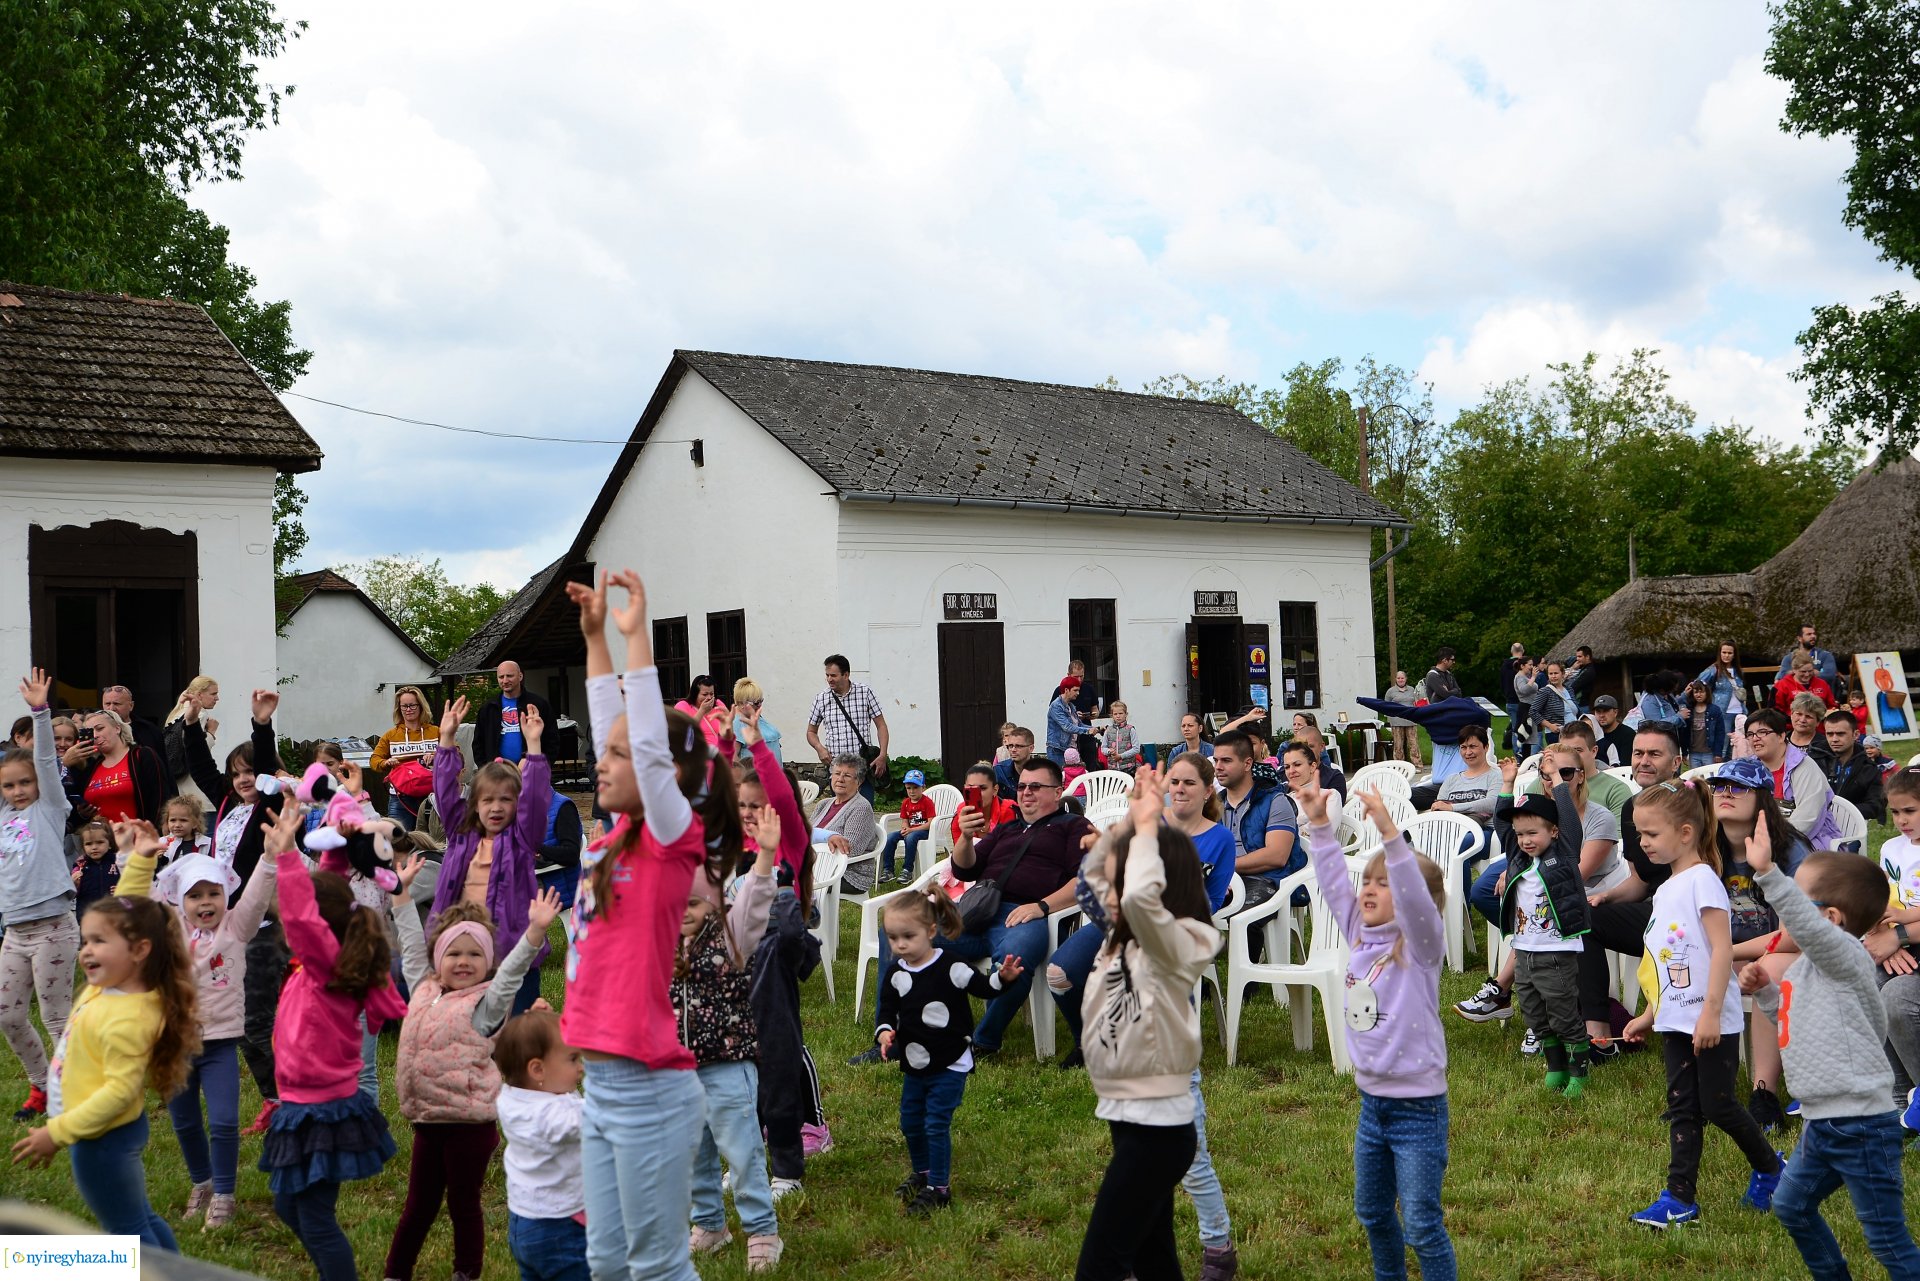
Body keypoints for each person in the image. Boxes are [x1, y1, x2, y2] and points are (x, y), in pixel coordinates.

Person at [561, 568, 741, 1281]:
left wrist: (637, 639)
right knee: (606, 1263)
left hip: (648, 1089)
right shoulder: (614, 836)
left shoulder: (673, 836)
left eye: (616, 757)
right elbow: (618, 718)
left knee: (657, 1266)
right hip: (600, 1084)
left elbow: (646, 743)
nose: (602, 765)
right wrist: (595, 638)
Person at [1739, 830, 1920, 1276]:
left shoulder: (1848, 959)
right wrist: (1764, 994)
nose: (1789, 911)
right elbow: (1792, 1018)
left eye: (1799, 900)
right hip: (1823, 1122)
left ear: (1832, 920)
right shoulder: (1807, 968)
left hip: (1861, 1123)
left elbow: (1805, 927)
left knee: (1886, 1239)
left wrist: (1767, 872)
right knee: (1791, 1206)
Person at [1299, 776, 1455, 1281]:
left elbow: (1412, 896)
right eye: (1368, 879)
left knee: (1423, 1227)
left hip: (1418, 1110)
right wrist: (1321, 826)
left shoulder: (1420, 948)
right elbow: (1332, 880)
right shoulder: (1359, 934)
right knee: (1371, 1213)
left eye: (1384, 884)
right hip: (1373, 1108)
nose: (1369, 888)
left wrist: (1390, 834)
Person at [1073, 769, 1221, 1281]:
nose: (1111, 892)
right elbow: (1092, 875)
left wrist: (1147, 828)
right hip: (1129, 1118)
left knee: (1100, 1266)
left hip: (1158, 1134)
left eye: (1126, 876)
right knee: (1152, 1258)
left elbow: (1138, 898)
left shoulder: (1180, 941)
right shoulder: (1124, 936)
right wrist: (1130, 822)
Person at [255, 800, 407, 1281]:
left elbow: (307, 915)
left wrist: (285, 859)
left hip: (320, 1112)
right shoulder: (329, 958)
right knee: (287, 1206)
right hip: (303, 1105)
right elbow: (329, 900)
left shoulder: (328, 969)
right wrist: (337, 850)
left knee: (315, 1219)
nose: (287, 917)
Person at [1621, 779, 1784, 1227]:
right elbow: (1670, 959)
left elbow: (1721, 951)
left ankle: (1773, 1170)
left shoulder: (1703, 883)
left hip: (1711, 1020)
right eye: (1639, 834)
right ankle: (1679, 1198)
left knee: (1718, 1105)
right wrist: (1650, 1014)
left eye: (1651, 834)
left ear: (1687, 832)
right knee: (1682, 1107)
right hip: (1676, 1020)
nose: (1643, 842)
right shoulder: (1666, 889)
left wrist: (1711, 1013)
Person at [8, 863, 197, 1249]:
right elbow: (125, 913)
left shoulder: (128, 1015)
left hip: (101, 1138)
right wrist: (141, 862)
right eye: (86, 940)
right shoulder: (112, 986)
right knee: (139, 1218)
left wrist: (56, 1133)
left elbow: (119, 1093)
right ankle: (178, 1274)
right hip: (111, 1132)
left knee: (126, 1233)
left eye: (97, 942)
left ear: (140, 950)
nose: (86, 951)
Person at [384, 865, 558, 1281]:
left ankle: (466, 1273)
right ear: (438, 960)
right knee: (418, 1207)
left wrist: (534, 934)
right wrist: (402, 898)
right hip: (428, 1121)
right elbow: (411, 948)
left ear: (488, 962)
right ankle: (395, 1273)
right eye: (454, 954)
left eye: (475, 954)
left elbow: (512, 973)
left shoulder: (486, 1005)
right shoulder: (423, 988)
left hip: (469, 1126)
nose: (464, 962)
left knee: (464, 1204)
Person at [117, 815, 277, 1230]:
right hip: (174, 1044)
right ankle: (201, 1183)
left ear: (225, 895)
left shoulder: (236, 928)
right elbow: (134, 903)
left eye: (214, 893)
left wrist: (273, 854)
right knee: (184, 1121)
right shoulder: (168, 930)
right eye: (195, 896)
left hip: (221, 1045)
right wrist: (130, 856)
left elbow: (258, 895)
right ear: (179, 901)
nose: (206, 903)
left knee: (224, 1121)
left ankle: (224, 1193)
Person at [895, 755, 1094, 1060]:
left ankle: (983, 1042)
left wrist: (1041, 906)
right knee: (901, 933)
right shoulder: (1007, 829)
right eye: (1023, 786)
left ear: (1057, 791)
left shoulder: (1073, 826)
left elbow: (1084, 879)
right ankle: (896, 1032)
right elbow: (964, 871)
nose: (1026, 792)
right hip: (977, 913)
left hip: (1023, 915)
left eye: (1036, 786)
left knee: (1016, 961)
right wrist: (964, 837)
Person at [673, 812, 783, 1269]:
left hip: (726, 1064)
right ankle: (710, 1224)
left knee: (741, 1152)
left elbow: (755, 903)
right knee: (693, 1152)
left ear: (713, 904)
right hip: (676, 1070)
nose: (682, 913)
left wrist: (766, 857)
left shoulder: (732, 937)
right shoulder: (658, 942)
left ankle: (762, 1231)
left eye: (693, 904)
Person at [873, 886, 1024, 1216]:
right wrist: (884, 1031)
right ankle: (922, 1172)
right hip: (915, 1061)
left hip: (950, 1061)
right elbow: (887, 1008)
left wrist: (1004, 978)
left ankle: (939, 1187)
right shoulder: (898, 973)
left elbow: (983, 987)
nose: (899, 945)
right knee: (910, 1122)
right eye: (892, 937)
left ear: (930, 932)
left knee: (935, 1124)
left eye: (907, 937)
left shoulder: (952, 965)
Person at [178, 689, 286, 1134]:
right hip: (226, 929)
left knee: (256, 1022)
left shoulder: (268, 806)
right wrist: (190, 723)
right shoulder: (225, 805)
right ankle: (278, 1097)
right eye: (236, 773)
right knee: (242, 1020)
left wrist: (261, 725)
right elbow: (202, 769)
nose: (243, 780)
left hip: (259, 925)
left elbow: (264, 769)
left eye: (249, 773)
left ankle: (281, 1100)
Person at [430, 693, 553, 1017]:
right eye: (487, 800)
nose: (496, 807)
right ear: (475, 804)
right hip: (467, 949)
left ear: (517, 803)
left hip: (512, 951)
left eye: (505, 800)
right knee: (470, 1033)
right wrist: (445, 739)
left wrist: (535, 747)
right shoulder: (461, 836)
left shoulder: (522, 839)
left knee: (518, 1035)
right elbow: (443, 792)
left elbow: (537, 802)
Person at [0, 669, 79, 1123]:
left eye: (23, 783)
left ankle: (73, 1089)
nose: (17, 791)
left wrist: (41, 714)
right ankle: (41, 1085)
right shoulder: (4, 815)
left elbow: (46, 763)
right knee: (8, 1017)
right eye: (9, 786)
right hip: (15, 929)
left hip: (53, 926)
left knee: (55, 1019)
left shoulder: (50, 807)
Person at [1493, 752, 1593, 1095]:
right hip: (1524, 950)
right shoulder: (1519, 857)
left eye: (1533, 832)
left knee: (1563, 1011)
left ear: (1553, 831)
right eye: (1521, 834)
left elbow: (1569, 818)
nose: (1525, 840)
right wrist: (1507, 783)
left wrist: (1556, 782)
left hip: (1556, 951)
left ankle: (1578, 1070)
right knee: (1533, 1011)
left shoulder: (1563, 853)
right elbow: (1502, 826)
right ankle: (1555, 1067)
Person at [493, 1010, 589, 1281]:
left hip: (523, 1223)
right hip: (559, 1228)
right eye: (572, 1059)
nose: (580, 1067)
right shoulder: (551, 1116)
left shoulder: (514, 1097)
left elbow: (568, 1098)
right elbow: (593, 1115)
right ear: (537, 1069)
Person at [1871, 769, 1920, 1111]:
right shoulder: (1890, 848)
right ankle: (1899, 1100)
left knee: (1897, 998)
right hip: (1901, 944)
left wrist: (1899, 930)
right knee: (1868, 984)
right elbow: (1882, 899)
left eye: (1910, 811)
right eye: (1895, 812)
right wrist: (1882, 935)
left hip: (1909, 939)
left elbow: (1902, 912)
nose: (1902, 820)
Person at [1214, 731, 1301, 918]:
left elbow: (1277, 856)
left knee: (1242, 920)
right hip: (1222, 880)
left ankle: (1240, 947)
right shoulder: (1213, 806)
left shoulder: (1275, 801)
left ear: (1247, 763)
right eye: (1216, 761)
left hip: (1266, 881)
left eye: (1226, 761)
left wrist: (1225, 866)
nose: (1218, 767)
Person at [1743, 708, 1841, 846]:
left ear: (1781, 736)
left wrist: (1772, 841)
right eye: (1750, 734)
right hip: (1759, 838)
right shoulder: (1749, 767)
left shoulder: (1804, 766)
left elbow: (1808, 818)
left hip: (1806, 840)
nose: (1755, 738)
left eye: (1762, 732)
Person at [806, 655, 889, 803]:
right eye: (827, 675)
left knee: (864, 811)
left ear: (846, 674)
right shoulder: (821, 699)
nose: (829, 679)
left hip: (862, 768)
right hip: (836, 770)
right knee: (839, 815)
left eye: (833, 675)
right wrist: (819, 748)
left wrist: (882, 755)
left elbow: (881, 725)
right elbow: (811, 732)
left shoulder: (865, 692)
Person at [70, 708, 169, 825]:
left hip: (138, 838)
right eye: (91, 732)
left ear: (117, 728)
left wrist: (150, 835)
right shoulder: (91, 767)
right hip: (103, 841)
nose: (95, 735)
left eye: (100, 728)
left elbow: (160, 800)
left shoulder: (142, 756)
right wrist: (82, 814)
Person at [370, 685, 438, 831]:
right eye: (404, 706)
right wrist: (386, 762)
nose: (408, 710)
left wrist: (436, 756)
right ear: (399, 708)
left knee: (433, 842)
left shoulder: (436, 732)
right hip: (400, 798)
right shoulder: (391, 735)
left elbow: (456, 754)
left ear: (421, 706)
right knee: (399, 841)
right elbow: (374, 760)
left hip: (432, 795)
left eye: (412, 705)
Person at [813, 754, 879, 894]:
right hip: (816, 866)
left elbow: (850, 849)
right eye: (837, 773)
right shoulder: (823, 804)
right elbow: (805, 834)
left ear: (859, 782)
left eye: (847, 776)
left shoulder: (861, 807)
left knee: (790, 884)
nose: (840, 779)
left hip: (848, 873)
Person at [473, 661, 557, 768]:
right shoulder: (488, 708)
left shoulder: (538, 704)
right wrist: (486, 769)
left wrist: (543, 766)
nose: (505, 680)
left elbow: (552, 739)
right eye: (501, 677)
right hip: (497, 774)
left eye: (509, 676)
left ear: (520, 676)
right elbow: (478, 743)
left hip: (532, 770)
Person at [161, 676, 221, 812]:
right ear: (199, 694)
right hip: (197, 792)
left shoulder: (176, 715)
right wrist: (211, 733)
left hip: (180, 788)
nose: (217, 698)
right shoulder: (198, 715)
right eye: (213, 694)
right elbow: (197, 751)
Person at [1823, 708, 1885, 825]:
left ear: (1856, 734)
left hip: (1850, 830)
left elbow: (1876, 804)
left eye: (1840, 734)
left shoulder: (1869, 768)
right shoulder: (1815, 761)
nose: (1834, 739)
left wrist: (1842, 812)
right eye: (1830, 734)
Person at [1428, 724, 1498, 829]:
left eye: (1473, 747)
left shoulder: (1496, 775)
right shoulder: (1452, 779)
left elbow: (1491, 804)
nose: (1468, 752)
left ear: (1486, 747)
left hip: (1481, 831)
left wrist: (1452, 807)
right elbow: (1440, 806)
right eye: (1463, 747)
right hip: (1448, 828)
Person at [881, 769, 936, 884]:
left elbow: (930, 823)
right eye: (909, 788)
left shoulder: (927, 802)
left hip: (924, 832)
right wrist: (905, 828)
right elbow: (905, 820)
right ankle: (888, 870)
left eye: (915, 787)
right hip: (911, 830)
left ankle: (907, 870)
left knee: (910, 837)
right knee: (890, 837)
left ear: (923, 787)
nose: (912, 791)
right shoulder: (906, 802)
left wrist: (911, 830)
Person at [102, 683, 169, 772]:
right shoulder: (94, 731)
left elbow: (163, 767)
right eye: (107, 704)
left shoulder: (149, 730)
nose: (111, 708)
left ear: (131, 706)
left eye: (117, 704)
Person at [69, 819, 117, 920]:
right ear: (83, 846)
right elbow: (71, 894)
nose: (94, 847)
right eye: (89, 844)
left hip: (114, 913)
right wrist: (73, 883)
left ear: (110, 844)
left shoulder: (117, 861)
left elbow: (129, 881)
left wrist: (122, 889)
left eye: (100, 842)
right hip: (88, 915)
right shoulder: (80, 865)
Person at [1529, 662, 1581, 750]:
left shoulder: (1569, 689)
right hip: (1556, 735)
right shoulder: (1545, 691)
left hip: (1574, 733)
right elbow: (1533, 711)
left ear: (1563, 674)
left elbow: (1576, 710)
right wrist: (1549, 725)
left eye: (1556, 673)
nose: (1553, 676)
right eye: (1550, 674)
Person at [1675, 681, 1728, 766]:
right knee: (1696, 778)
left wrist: (1718, 753)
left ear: (1707, 693)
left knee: (1709, 778)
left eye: (1702, 692)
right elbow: (1683, 733)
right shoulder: (1688, 710)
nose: (1699, 694)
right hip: (1693, 753)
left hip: (1709, 753)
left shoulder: (1715, 710)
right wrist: (1684, 752)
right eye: (1696, 692)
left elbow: (1720, 732)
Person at [731, 677, 783, 764]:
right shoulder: (738, 724)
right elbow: (732, 758)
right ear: (742, 703)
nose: (759, 705)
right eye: (756, 703)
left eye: (761, 701)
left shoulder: (757, 718)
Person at [1774, 625, 1839, 691]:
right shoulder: (1788, 658)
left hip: (1820, 695)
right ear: (1799, 638)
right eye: (1809, 634)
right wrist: (1814, 673)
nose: (1813, 636)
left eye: (1814, 634)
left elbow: (1830, 676)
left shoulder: (1826, 656)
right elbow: (1782, 677)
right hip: (1795, 697)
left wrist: (1797, 673)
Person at [1773, 649, 1836, 716]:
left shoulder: (1822, 684)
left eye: (1810, 671)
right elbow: (1774, 711)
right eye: (1803, 671)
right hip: (1791, 724)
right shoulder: (1781, 685)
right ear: (1794, 670)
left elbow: (1832, 705)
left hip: (1819, 724)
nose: (1807, 674)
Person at [1696, 642, 1747, 718]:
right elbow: (1697, 684)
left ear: (1734, 655)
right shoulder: (1713, 670)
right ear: (1720, 654)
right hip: (1722, 712)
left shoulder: (1738, 671)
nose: (1726, 655)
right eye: (1724, 652)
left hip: (1740, 712)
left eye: (1730, 653)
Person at [1383, 671, 1423, 767]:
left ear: (1406, 679)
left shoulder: (1412, 689)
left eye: (1402, 678)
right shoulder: (1390, 691)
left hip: (1411, 720)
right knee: (1398, 745)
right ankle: (1399, 766)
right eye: (1398, 678)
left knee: (1413, 744)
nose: (1400, 680)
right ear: (1396, 679)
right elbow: (1385, 705)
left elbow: (1416, 703)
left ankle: (1417, 764)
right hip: (1396, 721)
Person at [1047, 675, 1085, 766]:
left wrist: (1097, 728)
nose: (1078, 693)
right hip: (1058, 751)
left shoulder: (1071, 706)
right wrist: (1088, 731)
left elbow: (1079, 725)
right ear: (1066, 690)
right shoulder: (1056, 706)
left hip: (1072, 749)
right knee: (1061, 778)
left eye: (1078, 690)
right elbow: (1067, 727)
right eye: (1075, 690)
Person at [993, 727, 1038, 802]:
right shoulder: (999, 771)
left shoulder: (1041, 772)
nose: (1013, 750)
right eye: (1010, 746)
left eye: (1018, 746)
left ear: (1031, 748)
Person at [1871, 655, 1911, 736]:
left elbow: (1891, 681)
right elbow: (1876, 681)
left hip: (1889, 692)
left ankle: (1900, 729)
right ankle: (1889, 729)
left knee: (1895, 711)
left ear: (1882, 662)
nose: (1879, 663)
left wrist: (1889, 688)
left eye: (1880, 661)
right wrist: (1882, 689)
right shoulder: (1876, 671)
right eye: (1877, 662)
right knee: (1885, 711)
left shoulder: (1886, 671)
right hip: (1883, 692)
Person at [1591, 696, 1635, 768]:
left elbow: (1626, 766)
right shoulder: (1592, 734)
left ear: (1615, 712)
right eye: (1598, 711)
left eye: (1605, 711)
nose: (1601, 715)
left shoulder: (1628, 734)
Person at [1101, 701, 1142, 775]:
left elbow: (1136, 749)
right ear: (1112, 715)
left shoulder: (1130, 729)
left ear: (1126, 714)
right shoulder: (1108, 730)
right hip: (1112, 769)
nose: (1118, 716)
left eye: (1120, 713)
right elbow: (1103, 748)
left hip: (1129, 768)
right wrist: (1109, 751)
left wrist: (1121, 756)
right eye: (1115, 714)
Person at [1511, 657, 1540, 751]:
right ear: (1522, 666)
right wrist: (1533, 677)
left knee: (1528, 740)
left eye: (1532, 665)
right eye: (1530, 665)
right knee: (1526, 737)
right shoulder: (1519, 677)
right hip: (1525, 708)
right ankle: (1523, 760)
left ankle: (1525, 760)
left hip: (1531, 707)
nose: (1532, 667)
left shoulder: (1525, 677)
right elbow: (1523, 690)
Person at [1566, 646, 1600, 712]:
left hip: (1581, 706)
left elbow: (1573, 687)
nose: (1577, 659)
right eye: (1577, 656)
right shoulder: (1584, 668)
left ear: (1587, 657)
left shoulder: (1588, 671)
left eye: (1580, 656)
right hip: (1579, 705)